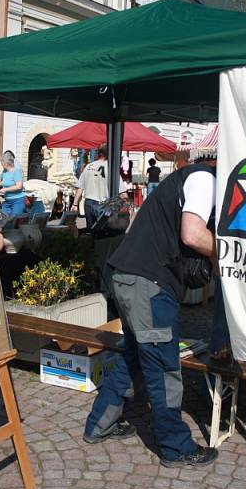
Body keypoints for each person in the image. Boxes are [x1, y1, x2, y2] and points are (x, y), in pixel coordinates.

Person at [83, 155, 219, 468]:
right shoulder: (204, 179)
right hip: (148, 283)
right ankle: (175, 447)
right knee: (162, 365)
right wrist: (223, 254)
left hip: (132, 277)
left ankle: (99, 424)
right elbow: (192, 234)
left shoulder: (186, 179)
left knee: (133, 356)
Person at [72, 145, 110, 230]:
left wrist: (75, 203)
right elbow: (121, 191)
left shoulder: (89, 166)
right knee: (103, 231)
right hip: (103, 204)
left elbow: (80, 187)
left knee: (90, 231)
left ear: (99, 153)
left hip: (88, 203)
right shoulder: (111, 167)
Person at [0, 151, 26, 218]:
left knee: (14, 220)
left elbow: (19, 186)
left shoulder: (16, 172)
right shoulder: (4, 171)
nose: (1, 163)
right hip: (7, 201)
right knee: (4, 219)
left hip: (18, 201)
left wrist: (5, 189)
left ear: (6, 163)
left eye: (2, 162)